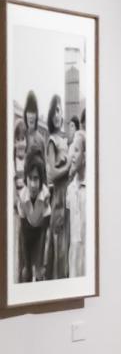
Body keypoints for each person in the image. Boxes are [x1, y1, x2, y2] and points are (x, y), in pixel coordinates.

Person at [44, 95, 71, 280]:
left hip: (68, 196)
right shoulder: (52, 140)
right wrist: (68, 165)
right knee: (59, 248)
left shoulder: (64, 139)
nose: (56, 114)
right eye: (53, 110)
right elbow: (51, 174)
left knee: (66, 247)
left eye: (59, 110)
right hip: (58, 199)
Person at [17, 153, 51, 283]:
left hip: (39, 235)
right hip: (26, 234)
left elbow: (44, 232)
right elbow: (24, 232)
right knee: (25, 272)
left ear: (41, 180)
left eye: (36, 179)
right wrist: (26, 264)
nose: (32, 184)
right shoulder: (23, 196)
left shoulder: (45, 195)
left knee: (39, 271)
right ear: (26, 178)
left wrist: (40, 263)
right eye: (30, 178)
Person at [67, 117, 86, 278]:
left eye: (77, 150)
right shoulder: (70, 189)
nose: (72, 154)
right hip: (73, 258)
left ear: (85, 155)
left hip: (87, 259)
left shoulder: (89, 190)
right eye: (72, 149)